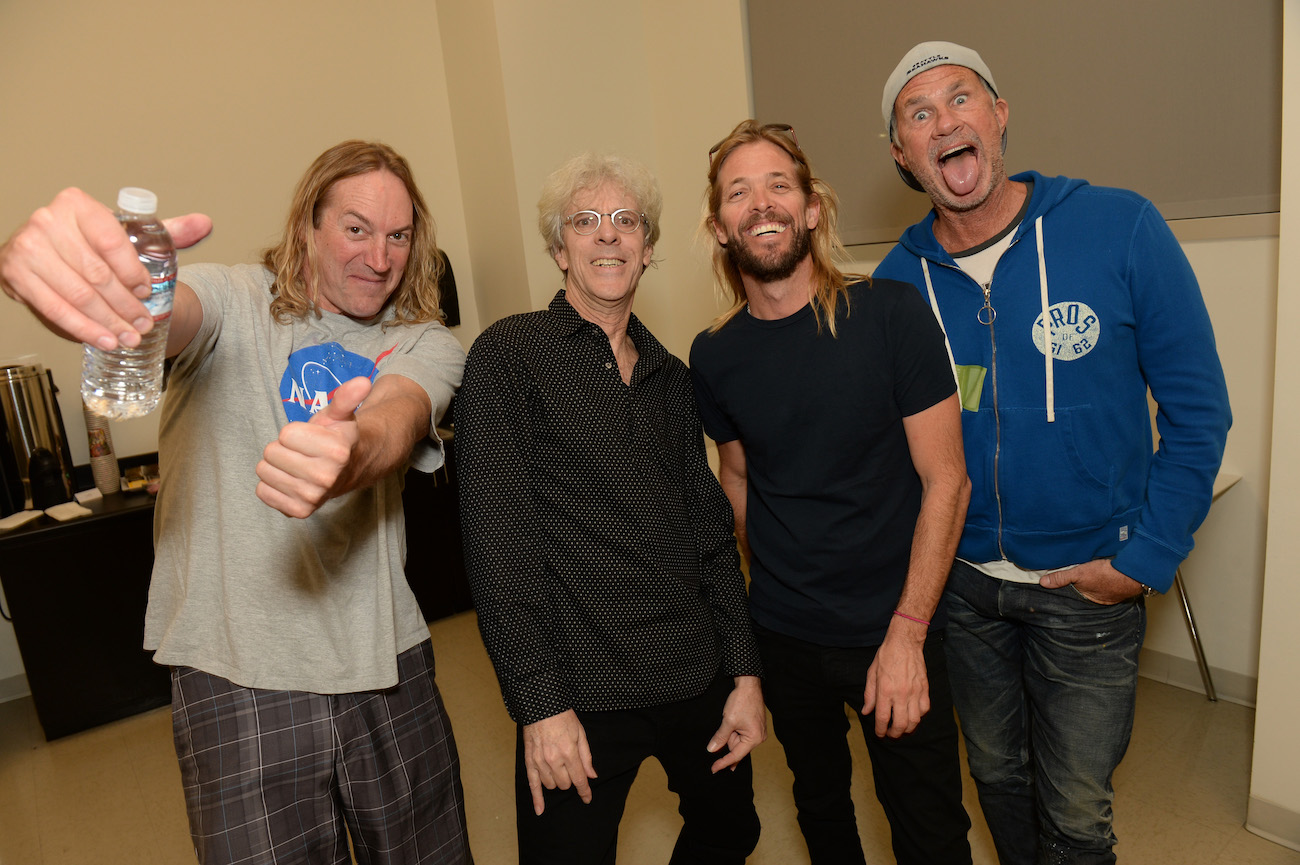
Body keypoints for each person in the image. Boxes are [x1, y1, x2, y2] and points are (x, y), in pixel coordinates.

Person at [0, 140, 473, 865]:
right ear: (308, 228)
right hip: (236, 668)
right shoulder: (236, 297)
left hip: (388, 659)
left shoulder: (427, 341)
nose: (379, 256)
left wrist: (351, 452)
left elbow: (397, 417)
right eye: (355, 228)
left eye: (398, 235)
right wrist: (114, 295)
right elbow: (170, 315)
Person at [875, 42, 1233, 864]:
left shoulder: (1121, 225)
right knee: (998, 778)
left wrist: (1145, 559)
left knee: (1076, 814)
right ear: (902, 154)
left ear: (999, 115)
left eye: (961, 99)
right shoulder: (895, 284)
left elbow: (1199, 412)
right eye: (918, 115)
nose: (944, 123)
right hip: (965, 593)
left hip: (1088, 591)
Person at [455, 153, 765, 865]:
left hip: (695, 672)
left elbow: (712, 536)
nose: (607, 236)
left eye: (626, 221)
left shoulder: (672, 377)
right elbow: (499, 548)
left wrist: (745, 675)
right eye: (585, 221)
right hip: (581, 688)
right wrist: (538, 704)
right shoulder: (509, 356)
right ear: (559, 247)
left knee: (734, 828)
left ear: (648, 248)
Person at [690, 120, 973, 865]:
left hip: (896, 628)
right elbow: (740, 479)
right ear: (719, 225)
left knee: (929, 827)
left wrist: (909, 634)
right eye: (739, 192)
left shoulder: (891, 315)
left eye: (779, 184)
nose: (762, 203)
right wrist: (765, 594)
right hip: (786, 637)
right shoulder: (715, 355)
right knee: (822, 814)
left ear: (812, 208)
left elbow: (948, 479)